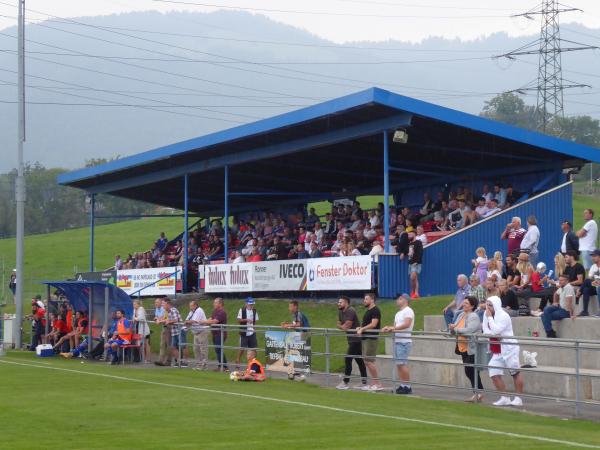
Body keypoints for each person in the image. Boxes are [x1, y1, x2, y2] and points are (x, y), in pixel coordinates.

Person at [482, 296, 524, 406]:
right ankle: (504, 397)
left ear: (496, 305)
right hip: (497, 349)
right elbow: (485, 330)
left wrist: (490, 318)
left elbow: (495, 330)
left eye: (490, 305)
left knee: (515, 373)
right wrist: (494, 333)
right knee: (493, 371)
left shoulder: (504, 316)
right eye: (487, 304)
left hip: (510, 348)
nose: (488, 307)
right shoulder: (486, 314)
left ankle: (519, 399)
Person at [449, 296, 483, 402]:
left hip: (472, 348)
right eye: (464, 303)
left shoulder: (473, 316)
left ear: (472, 306)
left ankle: (479, 393)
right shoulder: (461, 314)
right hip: (463, 347)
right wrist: (452, 329)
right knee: (470, 370)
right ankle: (477, 393)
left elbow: (469, 330)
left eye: (467, 303)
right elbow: (456, 328)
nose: (464, 304)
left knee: (470, 370)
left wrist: (456, 329)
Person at [382, 293, 415, 395]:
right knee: (399, 364)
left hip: (404, 341)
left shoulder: (408, 310)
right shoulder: (398, 313)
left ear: (405, 300)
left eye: (400, 299)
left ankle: (407, 387)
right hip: (398, 341)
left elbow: (407, 324)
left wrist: (393, 328)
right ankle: (403, 385)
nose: (397, 300)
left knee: (402, 364)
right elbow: (395, 326)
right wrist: (389, 328)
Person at [335, 296, 367, 390]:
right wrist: (342, 326)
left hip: (356, 339)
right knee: (359, 360)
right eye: (338, 302)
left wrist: (341, 326)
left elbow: (345, 327)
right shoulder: (340, 311)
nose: (339, 304)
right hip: (350, 339)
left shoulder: (351, 311)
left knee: (348, 358)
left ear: (346, 303)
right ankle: (364, 382)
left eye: (340, 302)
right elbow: (339, 324)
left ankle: (345, 382)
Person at [356, 293, 383, 391]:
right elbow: (367, 324)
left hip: (371, 339)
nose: (364, 301)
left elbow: (373, 324)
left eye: (366, 299)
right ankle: (374, 383)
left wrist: (362, 329)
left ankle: (378, 384)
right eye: (364, 299)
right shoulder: (368, 311)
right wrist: (361, 327)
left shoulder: (375, 310)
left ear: (372, 300)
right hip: (365, 338)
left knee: (369, 361)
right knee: (367, 361)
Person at [184, 300, 210, 370]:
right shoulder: (191, 312)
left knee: (203, 349)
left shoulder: (199, 310)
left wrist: (188, 322)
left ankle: (204, 365)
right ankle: (198, 364)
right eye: (190, 306)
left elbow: (193, 321)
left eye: (191, 306)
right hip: (196, 332)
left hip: (202, 331)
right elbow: (187, 320)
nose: (190, 307)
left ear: (195, 305)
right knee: (196, 349)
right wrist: (187, 322)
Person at [205, 297, 229, 371]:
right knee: (217, 350)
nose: (214, 304)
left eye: (215, 302)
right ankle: (221, 365)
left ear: (220, 304)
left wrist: (203, 322)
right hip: (215, 333)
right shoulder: (215, 311)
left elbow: (214, 321)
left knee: (219, 350)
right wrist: (201, 321)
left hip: (220, 334)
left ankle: (224, 366)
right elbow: (210, 319)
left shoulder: (222, 312)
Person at [236, 297, 259, 367]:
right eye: (250, 304)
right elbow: (238, 320)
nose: (251, 306)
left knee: (254, 349)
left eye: (252, 304)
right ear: (246, 304)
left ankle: (253, 363)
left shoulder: (254, 311)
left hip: (252, 332)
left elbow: (255, 321)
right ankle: (238, 360)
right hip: (244, 332)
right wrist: (246, 320)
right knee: (242, 348)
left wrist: (254, 328)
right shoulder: (242, 310)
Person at [154, 297, 171, 367]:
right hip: (164, 327)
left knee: (169, 345)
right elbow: (156, 317)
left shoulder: (166, 309)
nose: (156, 304)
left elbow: (164, 317)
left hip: (169, 328)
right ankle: (160, 360)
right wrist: (158, 319)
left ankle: (168, 361)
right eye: (155, 302)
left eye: (157, 302)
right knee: (162, 344)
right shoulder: (160, 309)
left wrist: (159, 319)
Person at [407, 231, 423, 298]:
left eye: (410, 234)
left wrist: (417, 261)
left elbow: (420, 252)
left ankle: (415, 292)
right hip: (410, 263)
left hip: (416, 263)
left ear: (414, 234)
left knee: (413, 277)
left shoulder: (418, 242)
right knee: (413, 279)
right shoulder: (409, 243)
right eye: (408, 235)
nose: (409, 236)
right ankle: (414, 293)